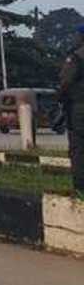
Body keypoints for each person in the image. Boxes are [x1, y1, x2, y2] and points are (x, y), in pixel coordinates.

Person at [58, 25, 84, 194]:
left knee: (79, 148)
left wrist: (60, 98)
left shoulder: (77, 57)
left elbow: (65, 82)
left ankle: (81, 188)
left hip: (80, 109)